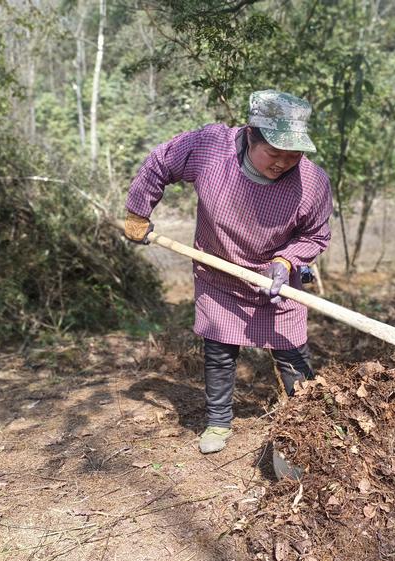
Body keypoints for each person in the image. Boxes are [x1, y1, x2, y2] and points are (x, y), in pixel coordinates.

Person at [124, 90, 333, 454]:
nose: (283, 163)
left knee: (292, 352)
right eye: (274, 152)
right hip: (218, 271)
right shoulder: (209, 148)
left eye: (293, 154)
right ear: (251, 134)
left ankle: (308, 422)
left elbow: (316, 234)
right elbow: (159, 163)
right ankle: (219, 423)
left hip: (276, 279)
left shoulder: (312, 183)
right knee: (220, 350)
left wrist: (286, 262)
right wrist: (138, 211)